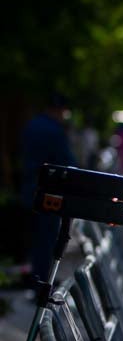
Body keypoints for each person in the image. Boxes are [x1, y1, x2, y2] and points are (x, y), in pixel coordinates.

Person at [19, 92, 77, 285]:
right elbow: (67, 162)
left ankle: (37, 279)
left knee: (36, 240)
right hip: (49, 192)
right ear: (60, 110)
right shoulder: (55, 130)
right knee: (47, 240)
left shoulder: (31, 125)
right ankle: (43, 284)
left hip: (29, 189)